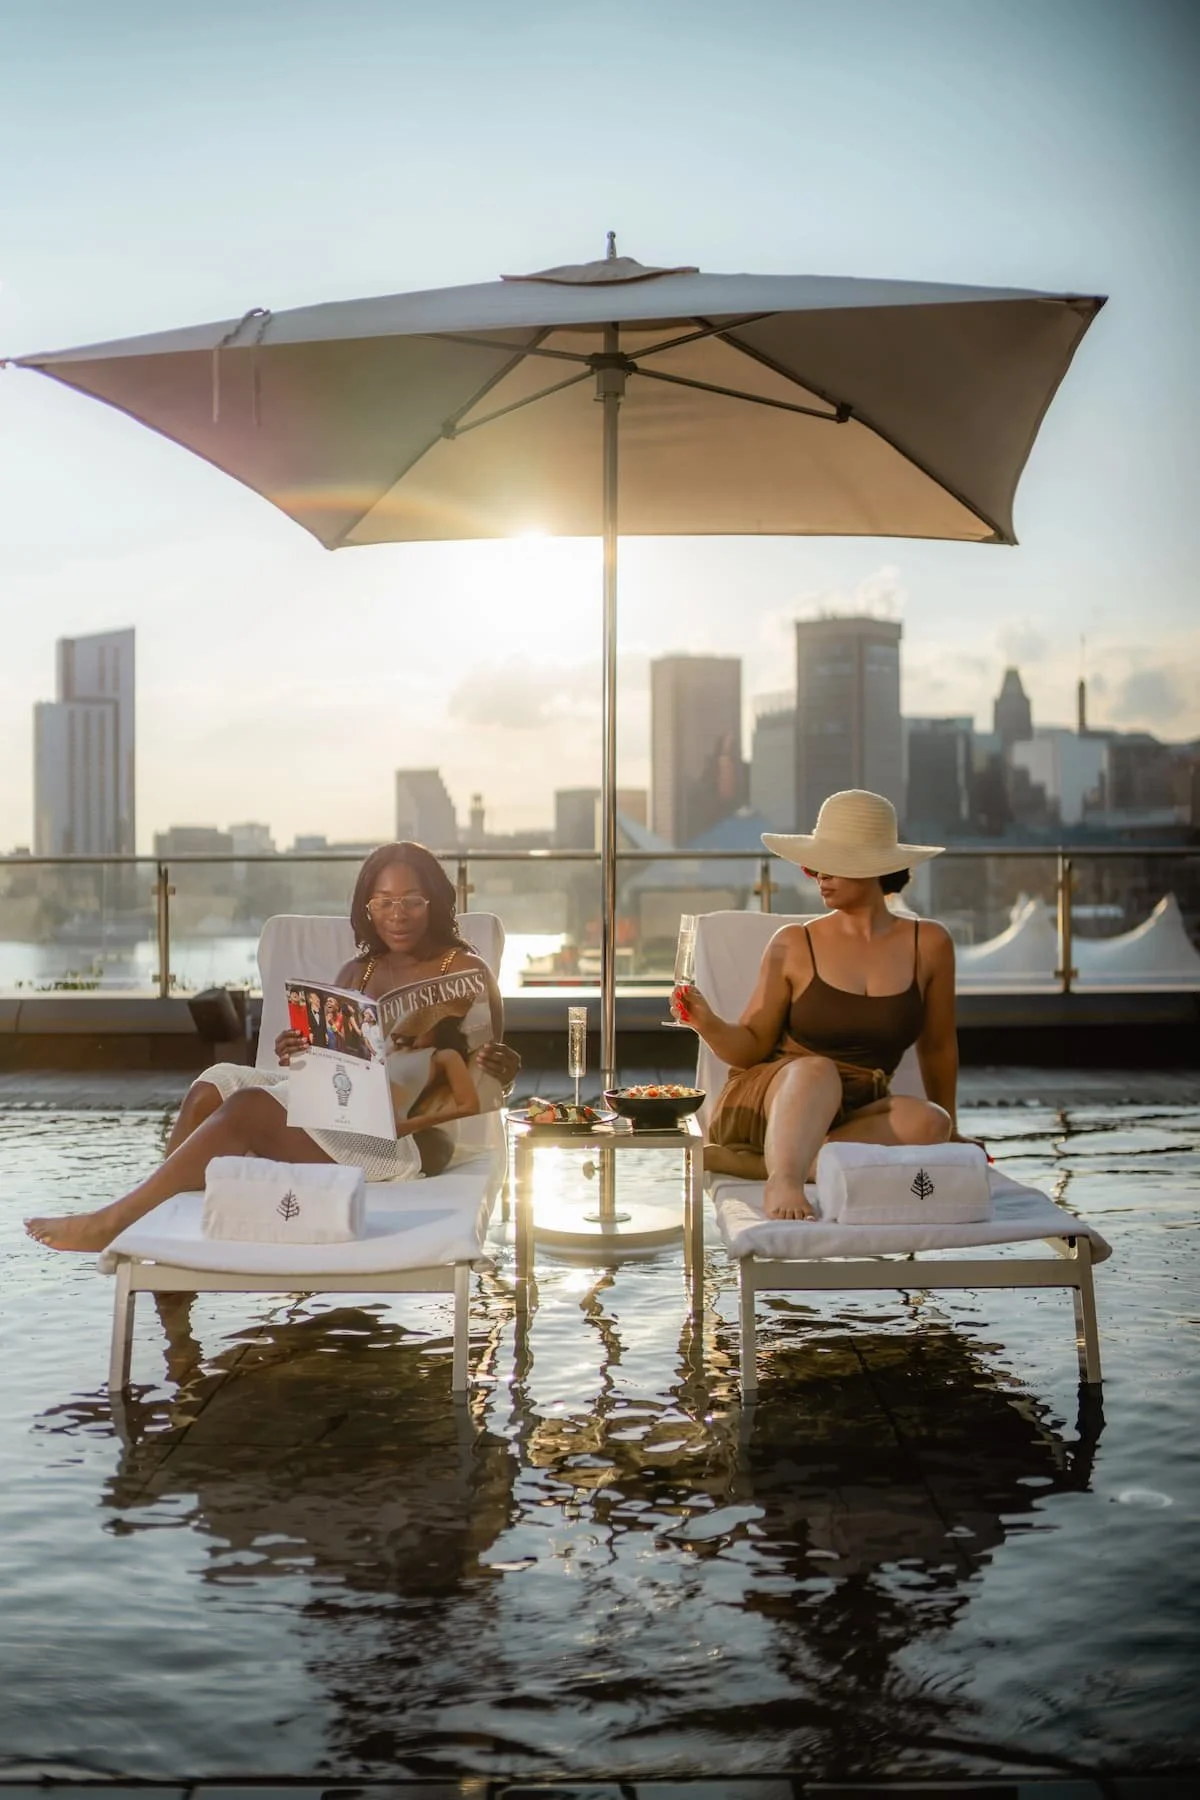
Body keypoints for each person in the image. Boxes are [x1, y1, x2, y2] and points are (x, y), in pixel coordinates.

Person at [25, 842, 520, 1252]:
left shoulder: (464, 970)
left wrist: (502, 1067)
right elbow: (338, 1069)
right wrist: (300, 1054)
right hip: (345, 1115)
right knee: (213, 1087)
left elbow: (486, 1071)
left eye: (412, 900)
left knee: (247, 1109)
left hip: (407, 1140)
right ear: (367, 907)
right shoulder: (359, 972)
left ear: (433, 901)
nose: (397, 914)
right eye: (383, 902)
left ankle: (115, 1223)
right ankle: (161, 1243)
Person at [679, 790, 960, 1222]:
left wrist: (954, 1133)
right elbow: (751, 1046)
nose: (817, 876)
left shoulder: (931, 944)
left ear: (872, 867)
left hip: (855, 1111)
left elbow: (938, 1047)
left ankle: (757, 1165)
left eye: (829, 864)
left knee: (930, 1123)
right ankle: (784, 1180)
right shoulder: (794, 944)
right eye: (814, 866)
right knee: (816, 1070)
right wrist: (707, 1022)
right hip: (775, 1099)